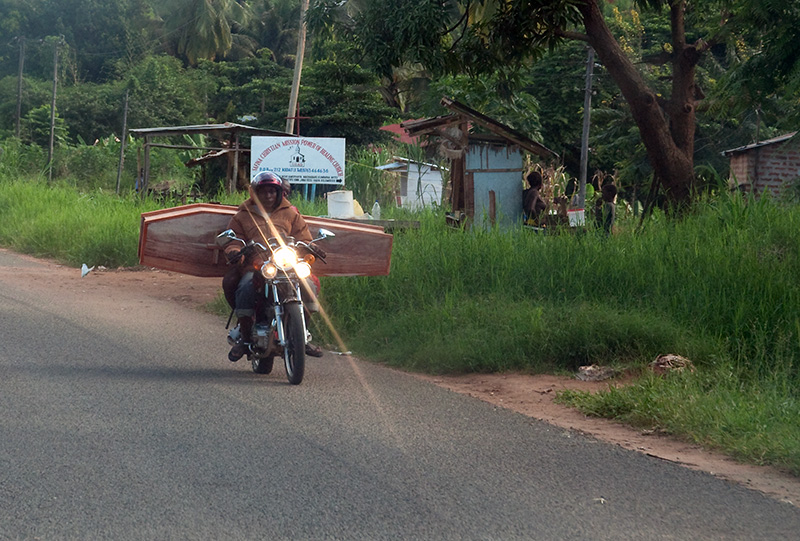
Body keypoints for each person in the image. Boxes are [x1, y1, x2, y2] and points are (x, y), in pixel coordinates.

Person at [221, 170, 324, 362]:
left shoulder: (290, 214)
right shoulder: (242, 215)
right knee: (245, 288)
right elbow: (233, 238)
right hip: (257, 264)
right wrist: (234, 250)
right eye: (264, 192)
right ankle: (244, 337)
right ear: (255, 193)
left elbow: (304, 237)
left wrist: (312, 247)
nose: (268, 196)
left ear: (279, 193)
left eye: (272, 191)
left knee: (309, 284)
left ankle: (302, 335)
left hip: (288, 264)